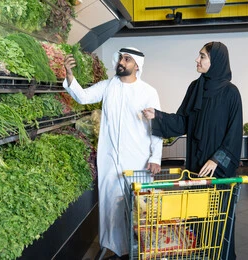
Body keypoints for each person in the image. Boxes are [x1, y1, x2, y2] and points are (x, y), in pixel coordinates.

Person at [142, 41, 243, 260]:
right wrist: (157, 116)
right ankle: (199, 254)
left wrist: (217, 159)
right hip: (196, 165)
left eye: (202, 56)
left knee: (217, 220)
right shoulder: (195, 88)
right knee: (196, 216)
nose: (197, 60)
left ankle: (220, 256)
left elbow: (234, 133)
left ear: (215, 61)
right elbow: (182, 122)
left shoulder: (231, 93)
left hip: (218, 171)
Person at [63, 47, 163, 259]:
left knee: (137, 209)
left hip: (138, 161)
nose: (121, 62)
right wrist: (69, 75)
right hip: (109, 160)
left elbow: (157, 128)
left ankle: (138, 251)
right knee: (110, 207)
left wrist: (155, 157)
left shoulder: (148, 92)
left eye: (127, 59)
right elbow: (82, 97)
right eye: (120, 58)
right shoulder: (107, 86)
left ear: (137, 66)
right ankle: (113, 249)